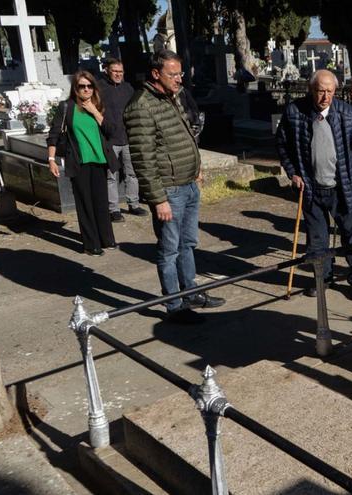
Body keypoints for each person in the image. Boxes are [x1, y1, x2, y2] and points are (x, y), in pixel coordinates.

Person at [125, 49, 226, 324]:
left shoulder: (173, 96)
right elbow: (143, 159)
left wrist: (196, 170)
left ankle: (191, 292)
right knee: (169, 249)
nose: (179, 79)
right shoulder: (141, 106)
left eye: (180, 73)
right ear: (156, 74)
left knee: (188, 244)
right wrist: (158, 200)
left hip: (188, 184)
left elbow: (185, 136)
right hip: (169, 192)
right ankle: (174, 304)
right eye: (173, 74)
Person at [276, 69, 352, 301]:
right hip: (310, 188)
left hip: (342, 187)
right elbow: (282, 145)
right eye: (320, 91)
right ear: (311, 90)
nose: (325, 96)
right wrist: (292, 173)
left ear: (335, 91)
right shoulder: (294, 112)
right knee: (317, 241)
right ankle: (322, 279)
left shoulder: (346, 113)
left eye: (329, 91)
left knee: (351, 235)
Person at [47, 70, 119, 256]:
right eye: (82, 86)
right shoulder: (67, 107)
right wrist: (51, 159)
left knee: (101, 202)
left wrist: (94, 111)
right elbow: (54, 135)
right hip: (79, 161)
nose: (86, 89)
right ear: (75, 88)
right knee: (85, 203)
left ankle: (106, 238)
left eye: (89, 86)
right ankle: (91, 244)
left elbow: (112, 131)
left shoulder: (100, 105)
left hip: (100, 161)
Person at [98, 58, 147, 223]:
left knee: (132, 173)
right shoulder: (100, 88)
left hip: (128, 137)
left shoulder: (128, 88)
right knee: (111, 175)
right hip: (109, 139)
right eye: (115, 71)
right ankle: (114, 209)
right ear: (107, 71)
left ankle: (134, 204)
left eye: (121, 72)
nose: (118, 74)